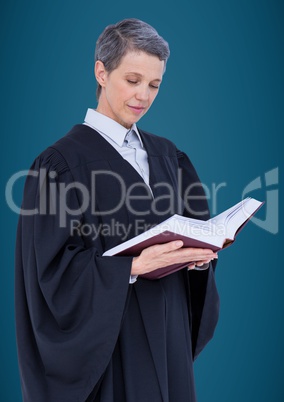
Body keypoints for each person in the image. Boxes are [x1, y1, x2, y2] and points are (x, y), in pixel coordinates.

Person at [15, 18, 219, 402]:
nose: (143, 95)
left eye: (154, 85)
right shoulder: (60, 164)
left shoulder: (168, 156)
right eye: (133, 80)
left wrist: (200, 259)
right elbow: (49, 273)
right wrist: (133, 267)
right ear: (101, 72)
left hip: (169, 334)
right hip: (111, 347)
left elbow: (195, 228)